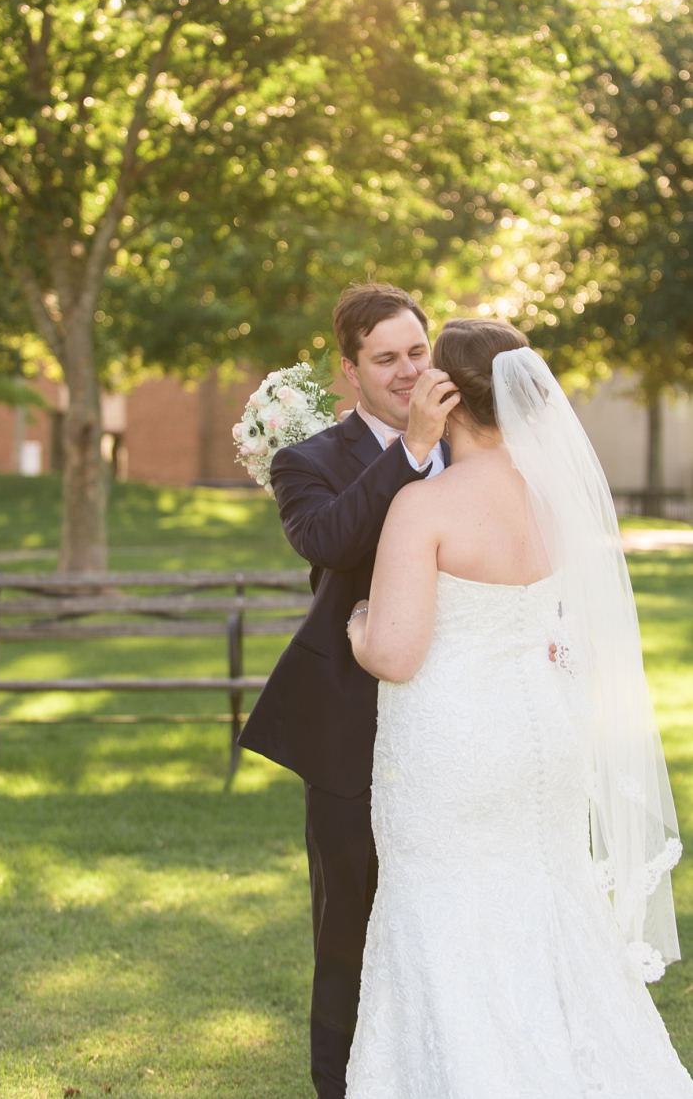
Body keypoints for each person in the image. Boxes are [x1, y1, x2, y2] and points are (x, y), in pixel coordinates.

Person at [344, 321, 691, 1094]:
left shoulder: (424, 507)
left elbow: (397, 654)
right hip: (545, 732)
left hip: (455, 742)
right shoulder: (553, 497)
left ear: (447, 395)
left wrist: (359, 622)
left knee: (443, 909)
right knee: (549, 899)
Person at [237, 283, 458, 1098]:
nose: (407, 372)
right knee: (349, 923)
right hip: (350, 732)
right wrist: (409, 451)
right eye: (386, 359)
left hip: (458, 719)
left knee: (445, 910)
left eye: (417, 353)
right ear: (350, 371)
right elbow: (328, 540)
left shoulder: (468, 444)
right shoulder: (308, 462)